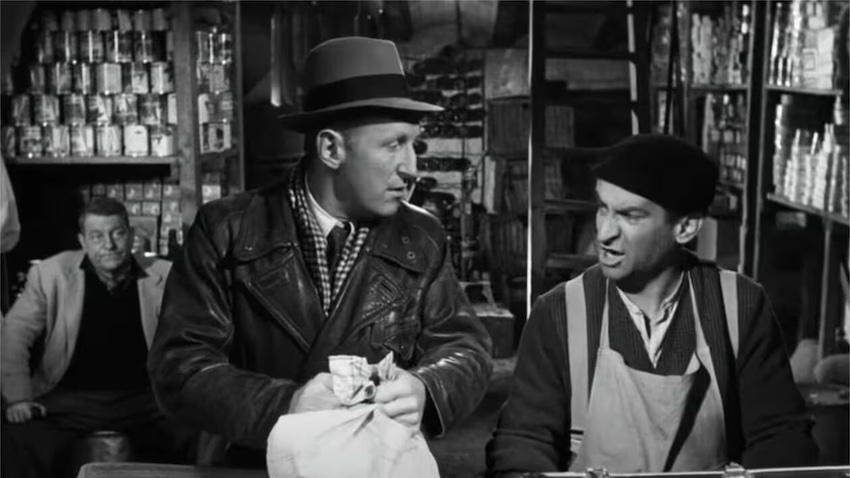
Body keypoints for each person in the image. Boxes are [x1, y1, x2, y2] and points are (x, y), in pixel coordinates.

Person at [148, 36, 493, 468]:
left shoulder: (421, 236)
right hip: (253, 467)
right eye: (394, 145)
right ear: (331, 148)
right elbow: (179, 368)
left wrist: (428, 388)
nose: (412, 168)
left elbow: (465, 348)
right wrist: (286, 403)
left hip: (373, 466)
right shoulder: (227, 230)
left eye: (414, 145)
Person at [486, 134, 818, 476]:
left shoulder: (738, 306)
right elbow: (524, 438)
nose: (604, 233)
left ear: (685, 227)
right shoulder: (561, 312)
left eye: (630, 216)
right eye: (603, 208)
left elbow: (779, 436)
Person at [1, 198, 196, 478]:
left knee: (203, 432)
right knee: (18, 440)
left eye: (117, 233)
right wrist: (18, 398)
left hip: (146, 401)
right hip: (69, 402)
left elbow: (192, 336)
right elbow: (14, 334)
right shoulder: (50, 274)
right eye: (97, 236)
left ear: (131, 235)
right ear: (83, 241)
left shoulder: (164, 276)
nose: (109, 244)